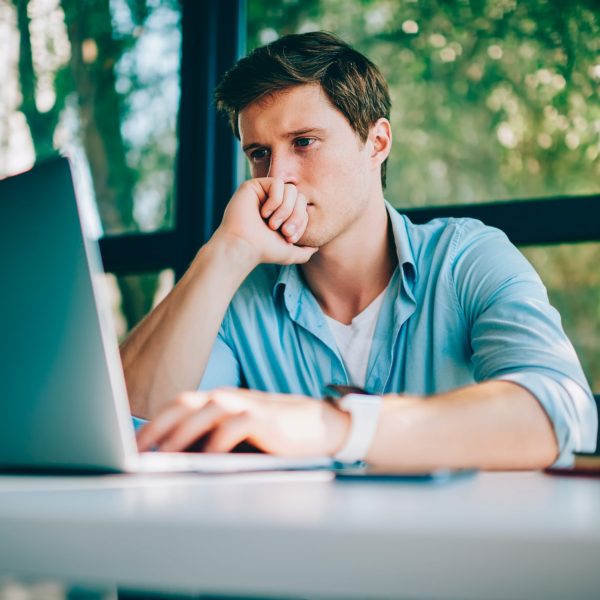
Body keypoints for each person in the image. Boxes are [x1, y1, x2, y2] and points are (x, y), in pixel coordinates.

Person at [122, 31, 597, 470]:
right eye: (259, 153)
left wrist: (334, 426)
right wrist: (224, 252)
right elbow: (131, 425)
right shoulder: (237, 292)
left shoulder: (467, 258)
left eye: (304, 142)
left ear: (377, 142)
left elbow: (561, 411)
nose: (277, 176)